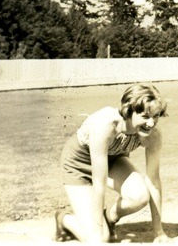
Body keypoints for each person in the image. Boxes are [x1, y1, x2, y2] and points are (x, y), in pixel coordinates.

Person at [54, 83, 170, 243]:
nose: (151, 123)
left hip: (114, 159)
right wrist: (97, 235)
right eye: (145, 116)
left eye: (156, 116)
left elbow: (153, 181)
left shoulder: (153, 135)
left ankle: (108, 218)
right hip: (78, 164)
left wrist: (159, 232)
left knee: (140, 196)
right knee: (99, 238)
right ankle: (64, 218)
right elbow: (99, 184)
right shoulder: (104, 126)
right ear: (129, 111)